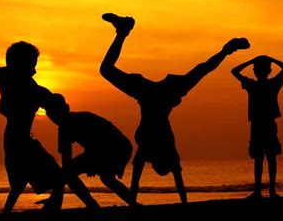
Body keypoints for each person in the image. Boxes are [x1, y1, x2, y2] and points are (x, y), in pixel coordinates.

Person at [100, 13, 249, 203]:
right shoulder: (154, 147)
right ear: (155, 163)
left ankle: (227, 50)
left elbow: (174, 178)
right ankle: (122, 32)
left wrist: (182, 202)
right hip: (152, 95)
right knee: (106, 69)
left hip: (162, 95)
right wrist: (133, 203)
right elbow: (137, 178)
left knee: (200, 71)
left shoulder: (159, 147)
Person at [0, 35, 63, 213]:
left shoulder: (16, 81)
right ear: (21, 65)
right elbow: (46, 98)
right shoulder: (21, 84)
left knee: (21, 181)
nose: (34, 71)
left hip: (14, 140)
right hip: (19, 141)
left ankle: (8, 212)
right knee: (53, 175)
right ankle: (51, 207)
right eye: (32, 66)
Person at [44, 93, 139, 207]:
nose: (53, 117)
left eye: (54, 113)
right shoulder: (65, 129)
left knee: (105, 177)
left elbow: (103, 137)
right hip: (112, 148)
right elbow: (67, 164)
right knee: (105, 177)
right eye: (50, 114)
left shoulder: (81, 118)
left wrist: (92, 161)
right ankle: (131, 203)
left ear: (66, 109)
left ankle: (94, 205)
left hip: (118, 147)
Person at [231, 55, 283, 200]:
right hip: (264, 124)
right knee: (268, 158)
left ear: (256, 72)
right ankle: (269, 191)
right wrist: (271, 59)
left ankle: (263, 191)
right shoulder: (270, 84)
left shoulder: (255, 85)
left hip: (262, 125)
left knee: (263, 159)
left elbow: (235, 71)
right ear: (269, 71)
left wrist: (252, 61)